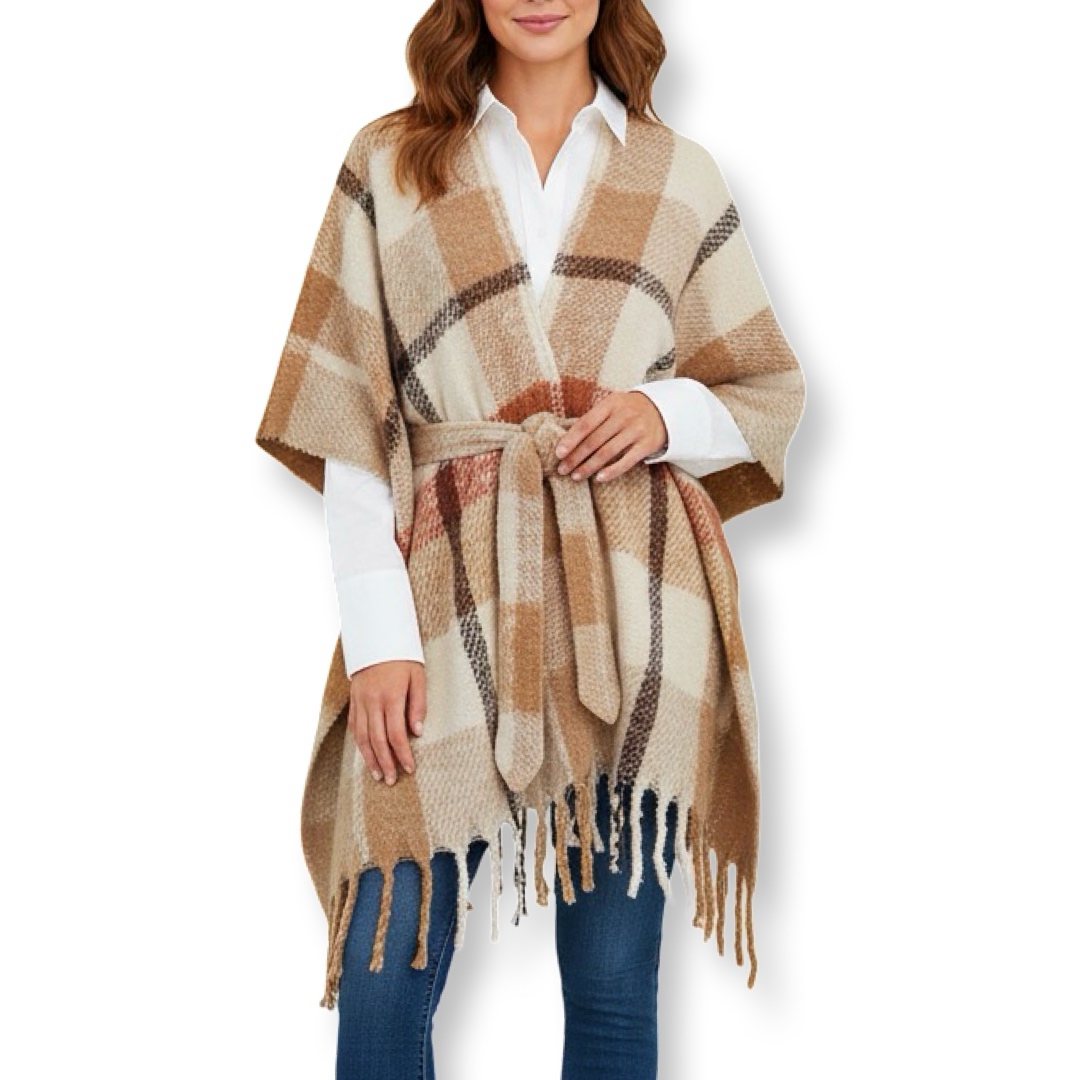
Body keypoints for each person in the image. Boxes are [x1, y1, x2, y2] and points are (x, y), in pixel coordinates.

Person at [255, 2, 806, 1077]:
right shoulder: (390, 163)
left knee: (611, 991)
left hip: (633, 608)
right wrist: (378, 638)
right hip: (442, 588)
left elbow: (766, 392)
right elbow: (351, 418)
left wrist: (665, 414)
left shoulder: (677, 174)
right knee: (387, 964)